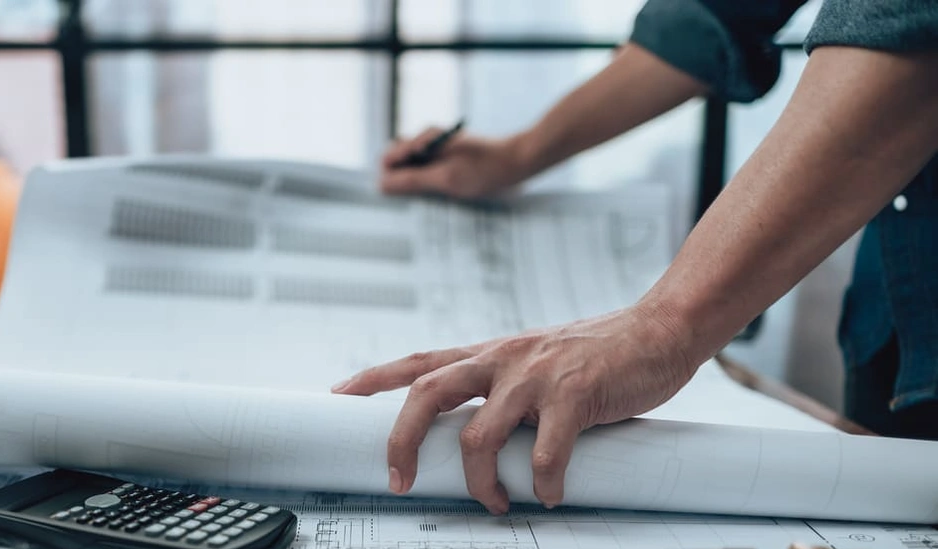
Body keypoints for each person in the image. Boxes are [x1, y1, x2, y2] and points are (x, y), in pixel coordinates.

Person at [332, 0, 938, 514]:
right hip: (895, 324)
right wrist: (518, 155)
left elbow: (909, 29)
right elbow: (715, 12)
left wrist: (662, 330)